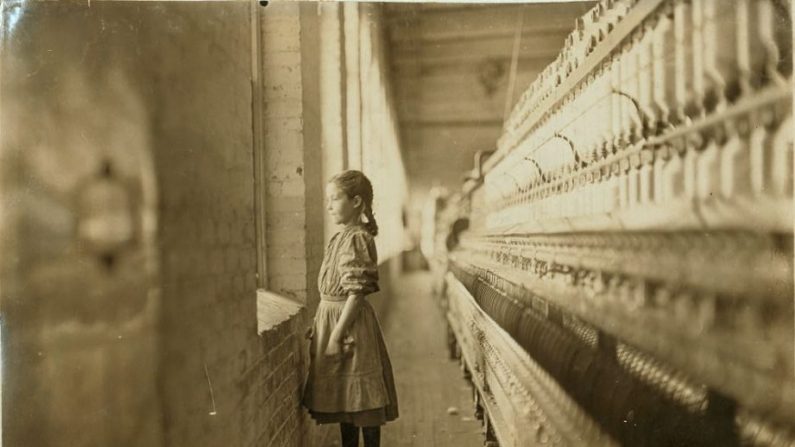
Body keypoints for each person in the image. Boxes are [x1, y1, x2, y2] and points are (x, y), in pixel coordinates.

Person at [302, 170, 399, 447]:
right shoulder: (341, 237)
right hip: (335, 320)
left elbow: (356, 293)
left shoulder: (357, 238)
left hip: (350, 326)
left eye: (335, 199)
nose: (329, 206)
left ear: (356, 202)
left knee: (363, 402)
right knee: (347, 400)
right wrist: (321, 322)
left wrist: (336, 334)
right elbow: (334, 288)